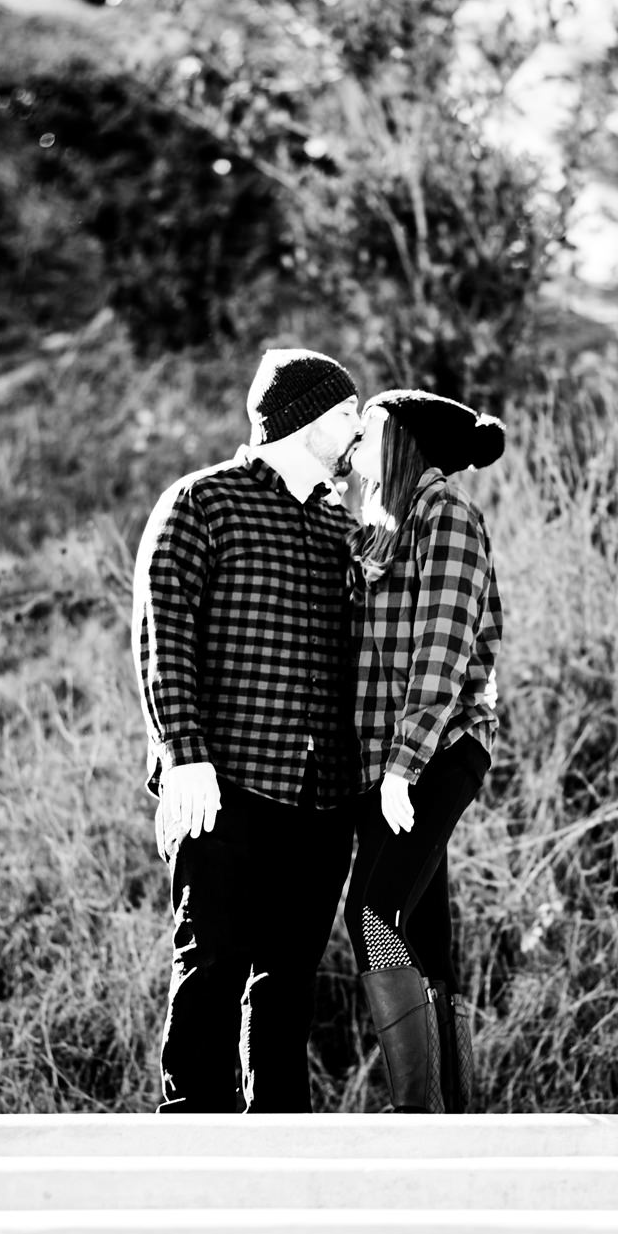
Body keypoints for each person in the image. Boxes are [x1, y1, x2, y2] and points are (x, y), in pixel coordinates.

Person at [131, 347, 364, 1112]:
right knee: (213, 963)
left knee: (288, 984)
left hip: (321, 797)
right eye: (346, 411)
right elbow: (162, 631)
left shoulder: (342, 528)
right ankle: (193, 1139)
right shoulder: (202, 502)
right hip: (223, 788)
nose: (359, 424)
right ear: (302, 418)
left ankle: (281, 1147)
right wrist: (182, 754)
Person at [344, 389, 505, 1113]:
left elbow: (441, 652)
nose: (357, 441)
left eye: (369, 429)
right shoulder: (389, 527)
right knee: (424, 931)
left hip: (437, 751)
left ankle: (418, 1110)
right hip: (395, 763)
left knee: (374, 914)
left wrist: (403, 766)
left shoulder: (449, 517)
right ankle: (452, 1112)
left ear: (403, 440)